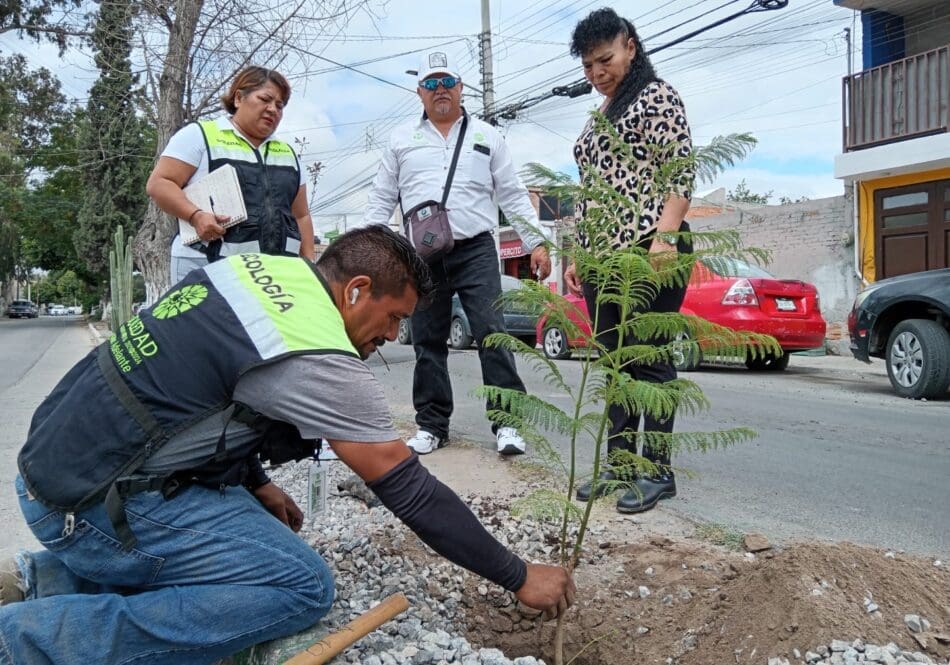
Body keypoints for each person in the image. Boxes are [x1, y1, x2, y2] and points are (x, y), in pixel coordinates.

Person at [0, 226, 574, 665]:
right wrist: (517, 573)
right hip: (88, 507)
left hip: (53, 469)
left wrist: (257, 481)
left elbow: (196, 393)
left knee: (253, 540)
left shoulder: (261, 270)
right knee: (298, 585)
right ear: (357, 290)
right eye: (393, 317)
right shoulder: (319, 350)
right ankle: (26, 641)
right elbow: (409, 490)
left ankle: (41, 581)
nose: (391, 336)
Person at [361, 50, 552, 457]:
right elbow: (381, 199)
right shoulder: (401, 140)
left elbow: (512, 193)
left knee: (492, 333)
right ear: (419, 92)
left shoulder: (487, 136)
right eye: (431, 84)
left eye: (448, 82)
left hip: (476, 249)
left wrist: (535, 242)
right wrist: (367, 254)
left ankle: (507, 424)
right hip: (421, 255)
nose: (440, 90)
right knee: (427, 340)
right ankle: (431, 425)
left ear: (462, 88)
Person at [564, 8, 694, 514]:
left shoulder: (656, 96)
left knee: (650, 361)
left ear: (630, 47)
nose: (597, 72)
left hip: (647, 248)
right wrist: (578, 252)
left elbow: (680, 171)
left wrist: (666, 238)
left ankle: (657, 472)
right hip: (601, 257)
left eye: (605, 59)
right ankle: (619, 465)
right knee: (616, 364)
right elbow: (590, 189)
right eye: (588, 65)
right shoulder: (602, 111)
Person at [147, 66, 315, 284]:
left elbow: (301, 216)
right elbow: (160, 183)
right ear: (238, 98)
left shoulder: (288, 154)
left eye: (280, 105)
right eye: (265, 99)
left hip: (273, 278)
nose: (273, 109)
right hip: (206, 267)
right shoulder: (199, 135)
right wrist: (195, 216)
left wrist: (310, 264)